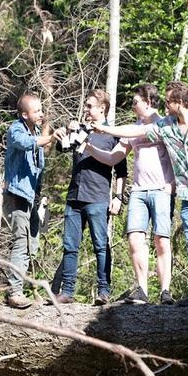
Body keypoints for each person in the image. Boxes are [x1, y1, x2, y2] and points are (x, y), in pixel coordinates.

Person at [91, 81, 188, 309]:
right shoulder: (166, 125)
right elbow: (137, 131)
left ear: (179, 102)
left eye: (169, 101)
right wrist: (105, 129)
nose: (165, 105)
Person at [83, 84, 176, 305]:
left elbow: (169, 152)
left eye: (135, 102)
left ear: (148, 102)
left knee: (161, 240)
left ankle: (165, 291)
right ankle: (142, 290)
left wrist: (172, 184)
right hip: (138, 191)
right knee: (135, 239)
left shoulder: (164, 123)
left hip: (162, 190)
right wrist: (88, 147)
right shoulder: (131, 129)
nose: (133, 106)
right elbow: (113, 158)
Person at [52, 89, 128, 305]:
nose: (85, 109)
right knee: (70, 245)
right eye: (85, 106)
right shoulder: (80, 130)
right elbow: (62, 148)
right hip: (74, 197)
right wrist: (65, 132)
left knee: (100, 245)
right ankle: (67, 292)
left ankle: (104, 291)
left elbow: (121, 170)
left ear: (102, 108)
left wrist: (118, 197)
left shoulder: (113, 134)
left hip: (98, 197)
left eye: (89, 106)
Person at [2, 93, 65, 309]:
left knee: (33, 244)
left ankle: (23, 288)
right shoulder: (16, 130)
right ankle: (14, 292)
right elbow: (27, 144)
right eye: (37, 111)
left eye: (41, 109)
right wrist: (51, 137)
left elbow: (38, 161)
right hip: (17, 195)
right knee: (21, 241)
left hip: (33, 197)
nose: (41, 114)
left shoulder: (36, 131)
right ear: (24, 114)